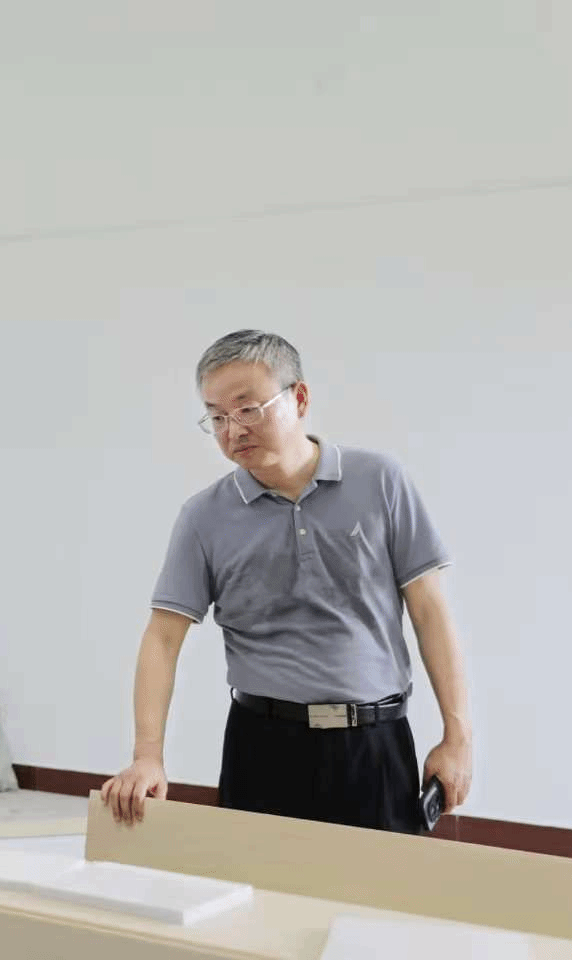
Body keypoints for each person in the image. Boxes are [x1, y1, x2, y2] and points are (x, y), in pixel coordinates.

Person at [100, 329, 473, 835]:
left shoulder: (380, 482)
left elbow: (430, 612)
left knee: (378, 885)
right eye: (217, 417)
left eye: (247, 409)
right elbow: (162, 638)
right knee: (255, 883)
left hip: (374, 746)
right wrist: (147, 755)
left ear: (299, 398)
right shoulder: (204, 517)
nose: (232, 431)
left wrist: (457, 737)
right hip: (262, 747)